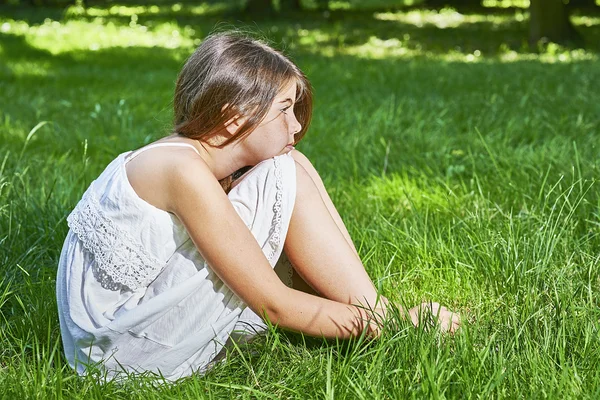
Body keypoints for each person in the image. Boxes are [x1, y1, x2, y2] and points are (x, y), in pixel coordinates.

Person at [56, 31, 460, 381]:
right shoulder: (182, 171)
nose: (297, 125)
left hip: (109, 342)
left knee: (291, 164)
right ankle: (388, 323)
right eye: (284, 109)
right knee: (286, 172)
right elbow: (274, 305)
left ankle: (372, 309)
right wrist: (393, 327)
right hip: (124, 355)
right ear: (234, 120)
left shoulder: (181, 158)